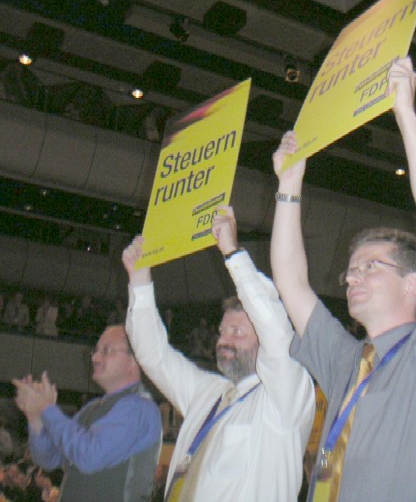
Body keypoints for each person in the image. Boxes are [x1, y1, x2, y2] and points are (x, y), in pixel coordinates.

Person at [271, 57, 416, 502]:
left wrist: (405, 114)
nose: (352, 278)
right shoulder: (347, 361)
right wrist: (289, 186)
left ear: (414, 283)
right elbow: (291, 284)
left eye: (371, 267)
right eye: (351, 270)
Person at [121, 205, 315, 502]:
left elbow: (277, 332)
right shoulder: (210, 393)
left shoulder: (285, 400)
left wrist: (233, 254)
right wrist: (140, 282)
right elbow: (153, 355)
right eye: (223, 332)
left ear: (262, 339)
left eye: (238, 332)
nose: (224, 340)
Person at [12, 324, 162, 502]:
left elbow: (89, 456)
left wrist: (47, 408)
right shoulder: (91, 409)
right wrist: (35, 417)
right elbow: (49, 458)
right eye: (95, 350)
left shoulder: (140, 408)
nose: (95, 358)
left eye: (106, 350)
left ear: (135, 360)